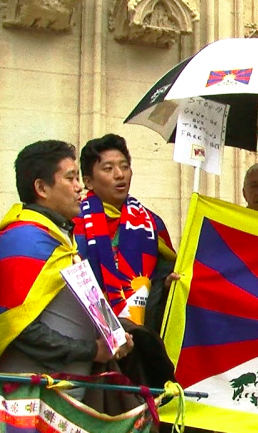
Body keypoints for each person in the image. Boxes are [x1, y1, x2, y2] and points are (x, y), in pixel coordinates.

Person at [0, 140, 133, 401]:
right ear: (41, 188)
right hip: (28, 402)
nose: (79, 187)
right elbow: (21, 331)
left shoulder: (63, 241)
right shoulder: (22, 240)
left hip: (69, 398)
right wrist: (90, 351)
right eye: (71, 178)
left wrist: (114, 337)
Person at [74, 134, 177, 389]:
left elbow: (160, 276)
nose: (120, 174)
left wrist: (166, 286)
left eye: (124, 166)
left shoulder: (151, 224)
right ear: (88, 181)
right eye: (108, 169)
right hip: (91, 341)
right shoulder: (73, 224)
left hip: (140, 341)